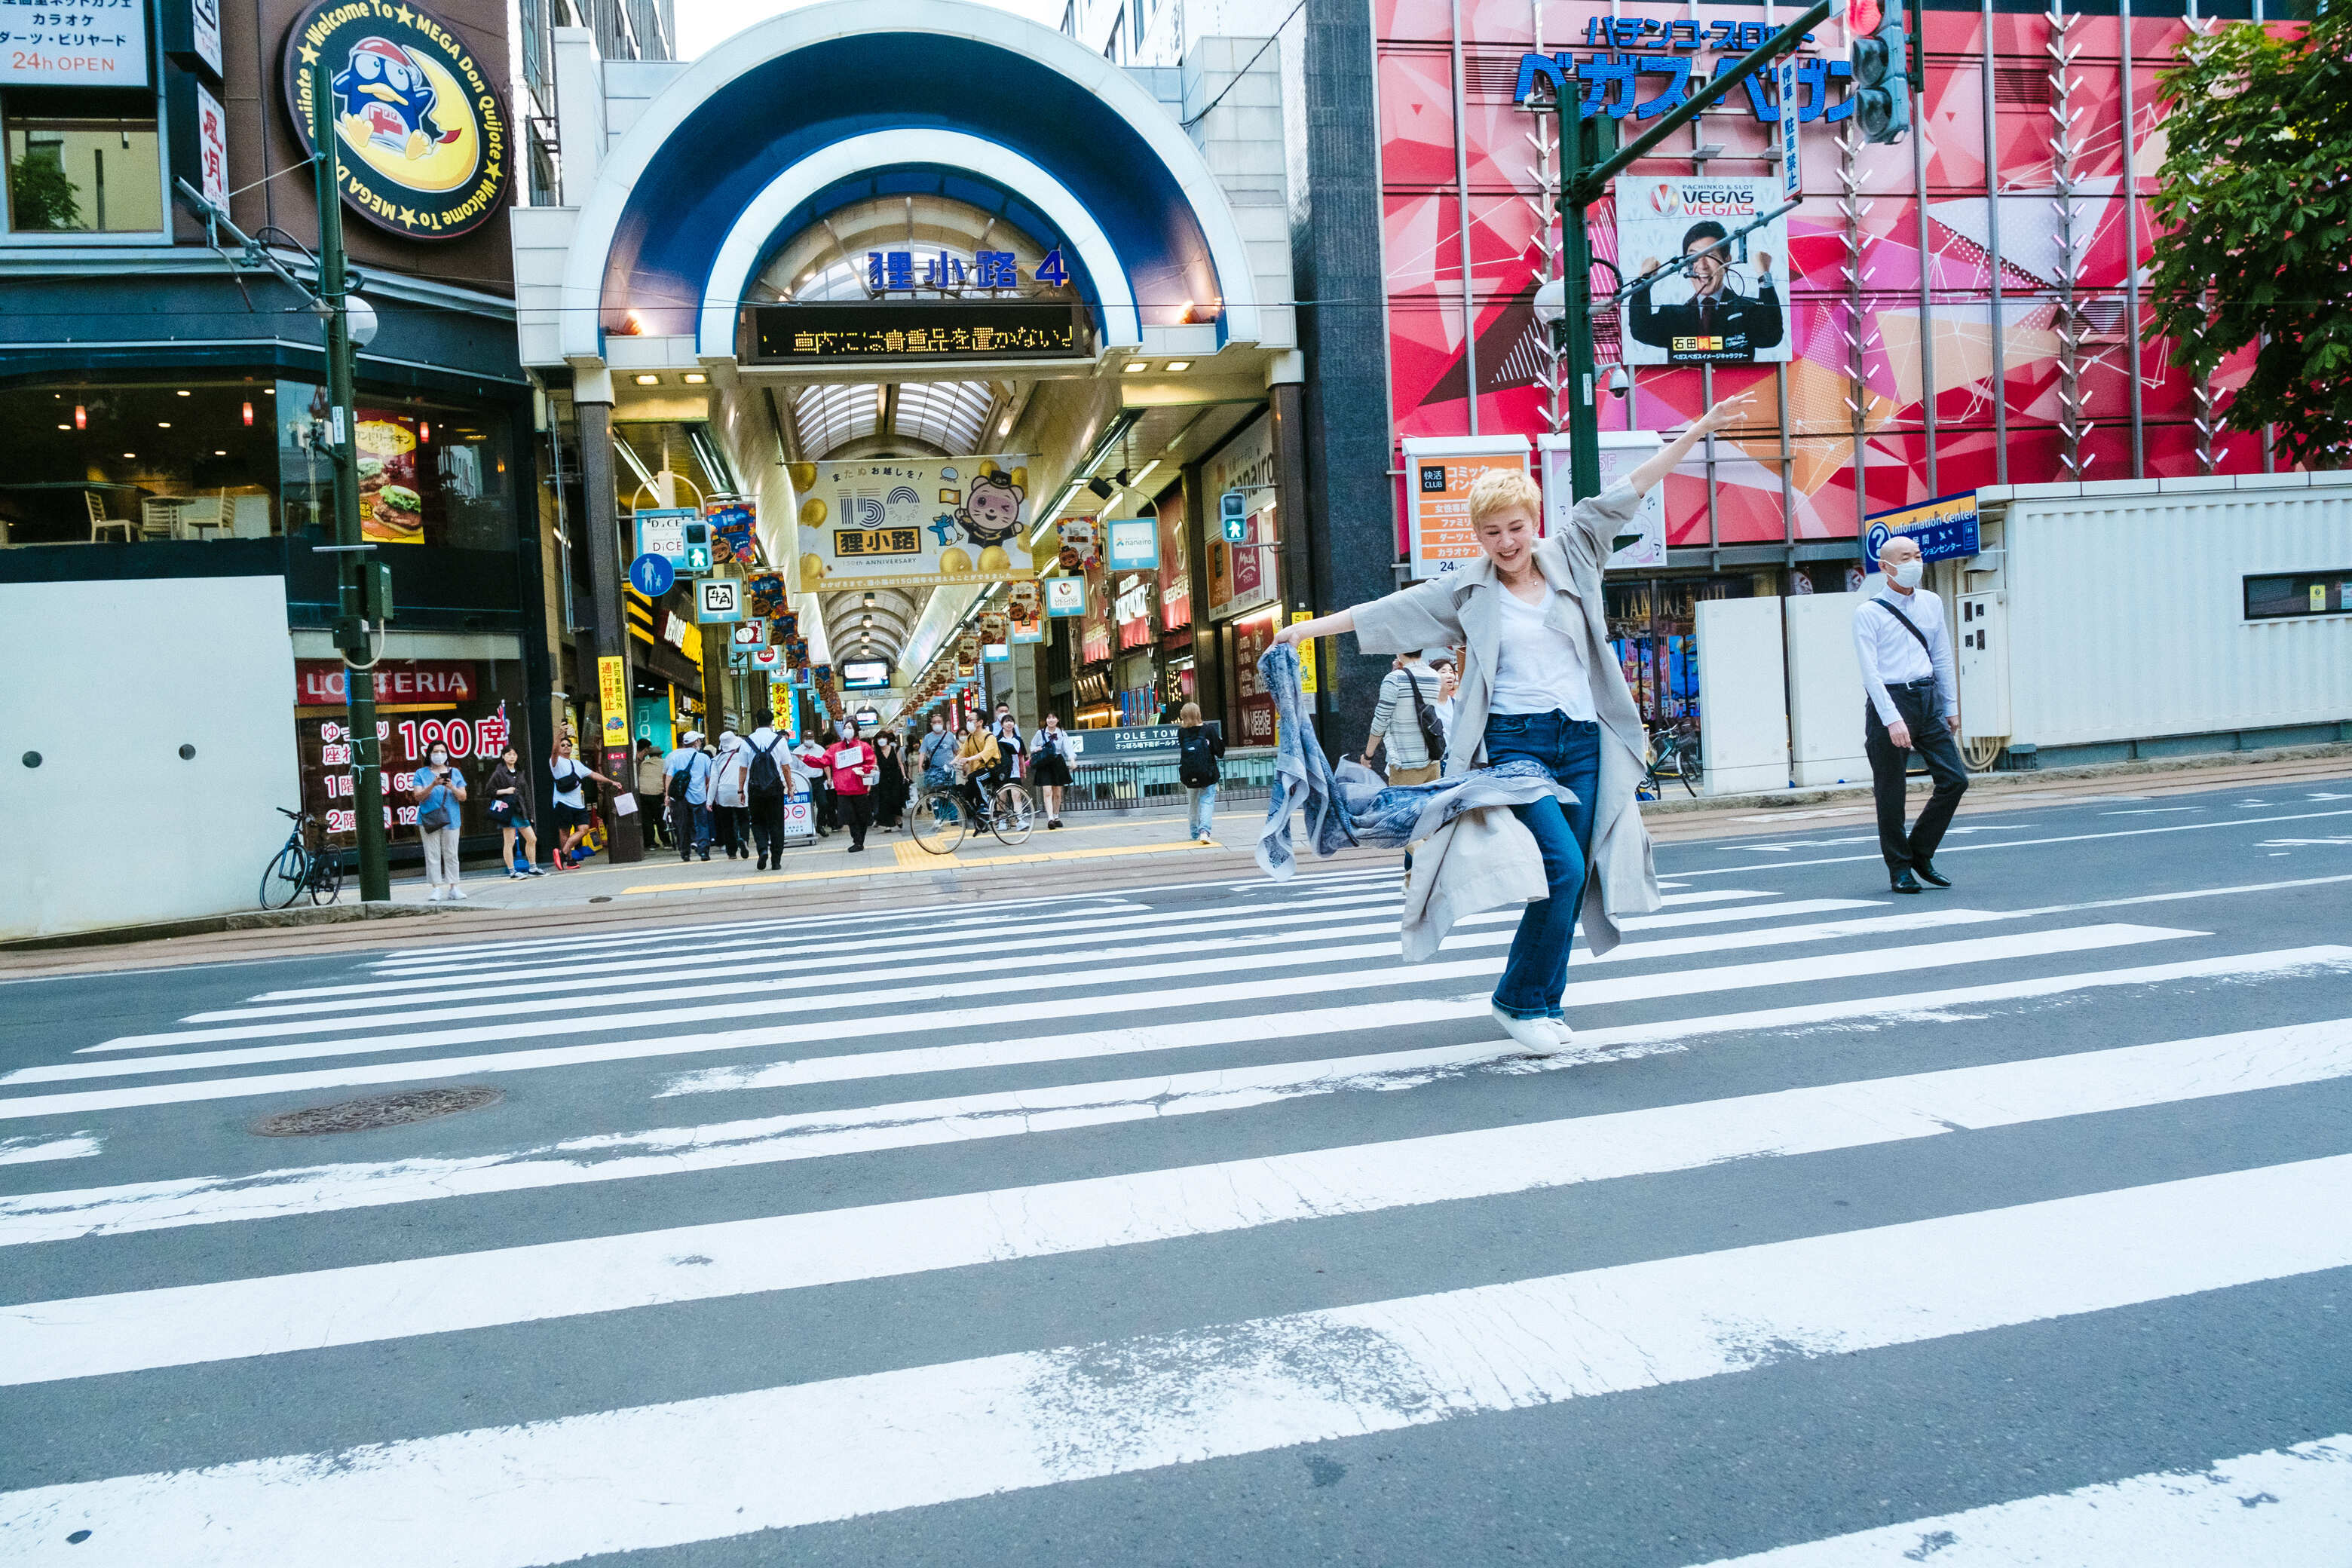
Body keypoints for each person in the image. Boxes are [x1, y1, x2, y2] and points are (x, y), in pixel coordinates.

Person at [1274, 394, 1749, 1056]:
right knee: (1557, 864)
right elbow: (1386, 610)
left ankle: (1544, 999)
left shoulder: (1575, 552)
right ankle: (1518, 999)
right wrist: (1305, 630)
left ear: (1534, 521)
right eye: (1493, 533)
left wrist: (1696, 429)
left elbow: (1629, 488)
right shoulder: (1466, 591)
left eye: (1517, 528)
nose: (1507, 543)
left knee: (1577, 872)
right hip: (1516, 747)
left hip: (1582, 739)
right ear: (1479, 536)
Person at [1855, 533, 1968, 893]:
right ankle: (1899, 869)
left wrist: (1949, 706)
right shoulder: (1868, 612)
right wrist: (1892, 719)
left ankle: (1920, 851)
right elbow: (1870, 673)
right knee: (1891, 792)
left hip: (1927, 697)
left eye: (1917, 555)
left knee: (1954, 780)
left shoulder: (1931, 602)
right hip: (1890, 702)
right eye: (1905, 558)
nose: (1914, 563)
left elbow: (1942, 656)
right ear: (1886, 567)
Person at [1629, 222, 1783, 363]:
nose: (1702, 266)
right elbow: (1640, 331)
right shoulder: (1673, 315)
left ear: (1727, 260)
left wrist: (1764, 275)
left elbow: (1772, 337)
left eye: (1711, 256)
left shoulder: (1748, 309)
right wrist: (1644, 281)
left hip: (1739, 385)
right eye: (1693, 258)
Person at [1365, 651, 1448, 786]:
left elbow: (1381, 720)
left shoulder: (1394, 679)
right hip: (1433, 760)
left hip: (1406, 765)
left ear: (1399, 649)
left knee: (1403, 807)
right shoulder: (1434, 676)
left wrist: (1368, 754)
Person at [549, 730, 620, 869]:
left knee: (584, 829)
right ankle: (569, 861)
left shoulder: (577, 763)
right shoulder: (556, 763)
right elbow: (553, 751)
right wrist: (560, 734)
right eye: (562, 745)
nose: (566, 747)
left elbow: (593, 774)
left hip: (578, 803)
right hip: (562, 803)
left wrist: (611, 782)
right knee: (564, 831)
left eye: (568, 745)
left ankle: (562, 854)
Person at [410, 740, 467, 900]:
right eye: (435, 752)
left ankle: (454, 887)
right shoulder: (421, 773)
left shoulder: (454, 773)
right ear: (429, 754)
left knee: (451, 853)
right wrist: (433, 785)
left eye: (442, 751)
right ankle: (436, 887)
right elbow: (418, 796)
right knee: (432, 854)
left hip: (452, 819)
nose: (439, 755)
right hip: (428, 819)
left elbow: (463, 796)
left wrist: (452, 787)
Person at [485, 743, 546, 879]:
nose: (512, 757)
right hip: (508, 811)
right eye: (508, 754)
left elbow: (527, 794)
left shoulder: (520, 772)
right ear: (503, 756)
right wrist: (505, 791)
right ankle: (512, 871)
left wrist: (530, 814)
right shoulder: (498, 773)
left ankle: (533, 867)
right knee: (510, 842)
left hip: (520, 810)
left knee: (532, 838)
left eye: (514, 754)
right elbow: (489, 791)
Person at [743, 710, 792, 870]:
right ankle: (776, 860)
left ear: (756, 722)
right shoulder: (779, 740)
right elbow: (786, 767)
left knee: (757, 821)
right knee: (777, 823)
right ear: (772, 722)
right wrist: (790, 787)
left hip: (755, 788)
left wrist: (740, 791)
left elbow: (743, 769)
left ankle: (762, 849)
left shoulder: (747, 741)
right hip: (775, 788)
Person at [822, 718, 880, 852]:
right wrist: (807, 759)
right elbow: (824, 761)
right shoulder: (836, 748)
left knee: (862, 816)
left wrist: (864, 770)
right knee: (850, 817)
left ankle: (860, 840)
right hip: (844, 789)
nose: (847, 730)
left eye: (850, 728)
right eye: (845, 727)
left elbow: (871, 764)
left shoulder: (864, 747)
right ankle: (857, 841)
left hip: (860, 788)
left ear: (855, 731)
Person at [1175, 702, 1225, 844]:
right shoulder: (1208, 730)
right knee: (1207, 802)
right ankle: (1204, 832)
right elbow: (1220, 752)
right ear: (1198, 714)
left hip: (1189, 773)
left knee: (1193, 804)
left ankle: (1194, 832)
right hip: (1208, 773)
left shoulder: (1182, 732)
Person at [663, 729, 715, 861]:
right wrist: (706, 790)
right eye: (700, 740)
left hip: (680, 797)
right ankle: (704, 851)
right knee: (701, 824)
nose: (701, 743)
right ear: (696, 742)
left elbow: (669, 777)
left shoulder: (675, 757)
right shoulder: (703, 757)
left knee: (682, 824)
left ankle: (685, 852)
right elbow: (710, 777)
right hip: (699, 796)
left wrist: (667, 795)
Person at [710, 728, 751, 859]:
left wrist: (709, 801)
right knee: (743, 819)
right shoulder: (743, 757)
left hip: (723, 793)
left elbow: (713, 782)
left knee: (727, 824)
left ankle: (731, 852)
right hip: (740, 790)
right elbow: (748, 776)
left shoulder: (716, 760)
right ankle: (744, 840)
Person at [1029, 711, 1073, 828]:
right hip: (1045, 763)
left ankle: (1056, 815)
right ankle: (1050, 819)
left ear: (1058, 720)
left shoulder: (1062, 734)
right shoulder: (1040, 733)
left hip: (1058, 762)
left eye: (1054, 717)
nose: (1051, 720)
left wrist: (1072, 759)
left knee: (1057, 793)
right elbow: (1032, 746)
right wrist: (1036, 749)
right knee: (1047, 792)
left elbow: (1068, 748)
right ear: (1046, 720)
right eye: (1048, 718)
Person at [954, 712, 1001, 822]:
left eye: (971, 720)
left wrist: (968, 759)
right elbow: (963, 753)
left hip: (990, 769)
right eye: (968, 720)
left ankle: (984, 806)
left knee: (975, 778)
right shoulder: (970, 737)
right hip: (975, 771)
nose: (968, 723)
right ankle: (980, 818)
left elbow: (985, 754)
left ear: (980, 722)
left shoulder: (989, 737)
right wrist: (951, 763)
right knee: (965, 795)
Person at [633, 739, 669, 848]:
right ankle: (666, 842)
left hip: (643, 793)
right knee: (660, 819)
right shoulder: (664, 763)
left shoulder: (643, 764)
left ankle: (650, 843)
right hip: (658, 793)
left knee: (647, 820)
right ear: (659, 755)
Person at [871, 730, 907, 832]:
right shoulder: (876, 753)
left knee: (896, 799)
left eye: (884, 737)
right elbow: (875, 765)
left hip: (896, 777)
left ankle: (897, 817)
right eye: (879, 738)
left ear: (887, 739)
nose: (881, 740)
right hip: (883, 779)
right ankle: (888, 824)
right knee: (885, 801)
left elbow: (900, 764)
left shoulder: (895, 749)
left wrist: (904, 776)